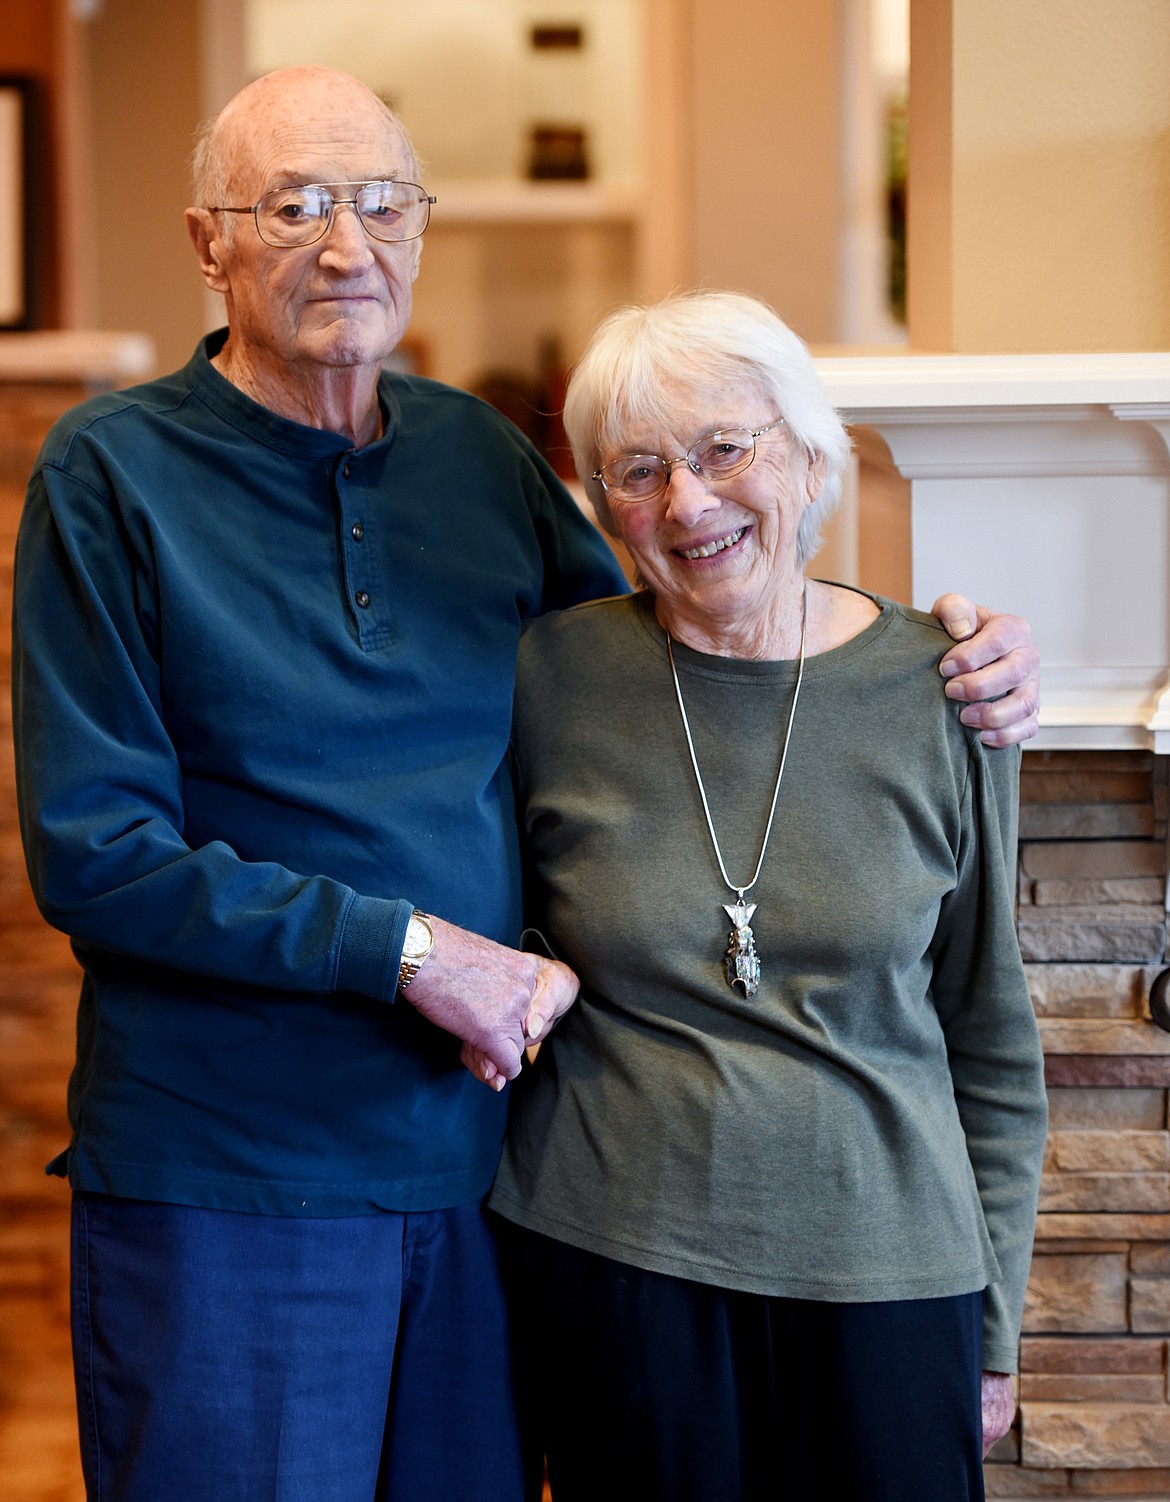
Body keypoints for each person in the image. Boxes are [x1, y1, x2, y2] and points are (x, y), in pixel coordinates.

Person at [10, 65, 1037, 1502]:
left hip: (485, 1168)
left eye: (380, 204)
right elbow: (94, 853)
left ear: (420, 230)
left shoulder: (477, 464)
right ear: (209, 242)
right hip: (234, 1173)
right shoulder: (111, 476)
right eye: (295, 206)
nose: (346, 245)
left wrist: (935, 654)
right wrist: (412, 949)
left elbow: (692, 635)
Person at [486, 290, 1049, 1502]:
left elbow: (992, 1038)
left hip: (896, 1273)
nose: (687, 502)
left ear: (807, 450)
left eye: (724, 449)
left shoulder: (948, 690)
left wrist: (994, 1325)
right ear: (601, 503)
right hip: (614, 1262)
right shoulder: (551, 675)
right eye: (637, 470)